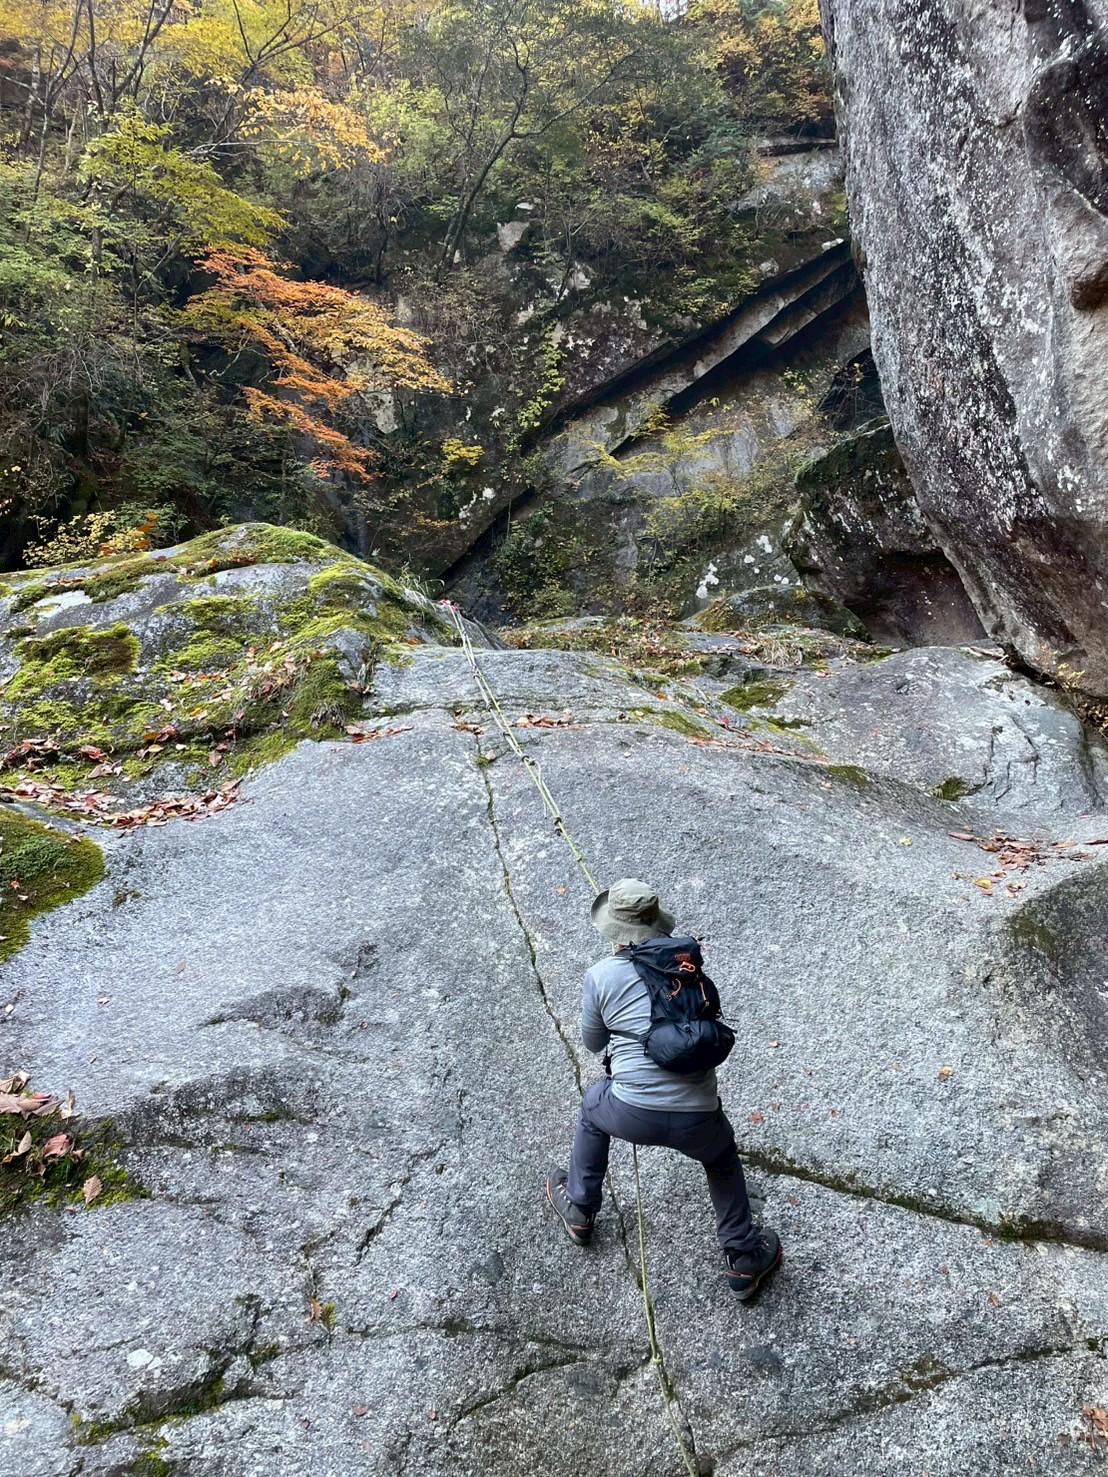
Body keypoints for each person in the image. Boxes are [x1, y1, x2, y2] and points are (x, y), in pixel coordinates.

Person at [545, 877, 781, 1301]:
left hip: (628, 1112)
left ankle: (580, 1209)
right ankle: (743, 1256)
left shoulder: (600, 975)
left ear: (613, 930)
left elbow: (594, 1043)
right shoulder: (688, 969)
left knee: (591, 1108)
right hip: (699, 1118)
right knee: (722, 1158)